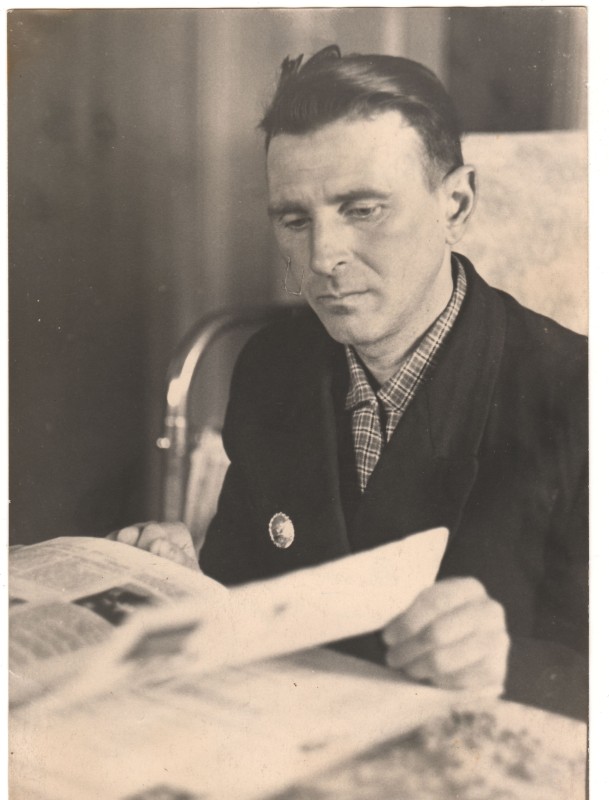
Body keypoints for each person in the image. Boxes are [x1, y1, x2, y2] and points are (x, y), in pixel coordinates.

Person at [109, 46, 587, 719]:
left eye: (363, 210)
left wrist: (508, 662)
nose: (322, 257)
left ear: (455, 204)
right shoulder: (272, 367)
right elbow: (246, 590)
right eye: (294, 219)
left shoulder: (577, 395)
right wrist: (185, 587)